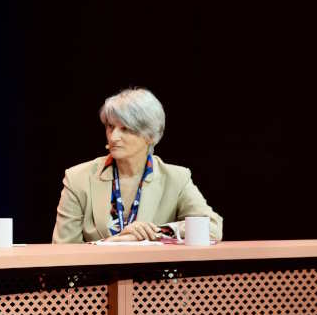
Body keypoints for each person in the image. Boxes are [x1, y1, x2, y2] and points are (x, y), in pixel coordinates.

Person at [52, 87, 222, 243]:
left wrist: (157, 231)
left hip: (154, 275)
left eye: (125, 129)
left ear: (150, 136)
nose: (113, 137)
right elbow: (62, 250)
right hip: (97, 276)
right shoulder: (78, 178)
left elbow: (212, 229)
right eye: (111, 127)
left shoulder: (176, 178)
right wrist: (112, 243)